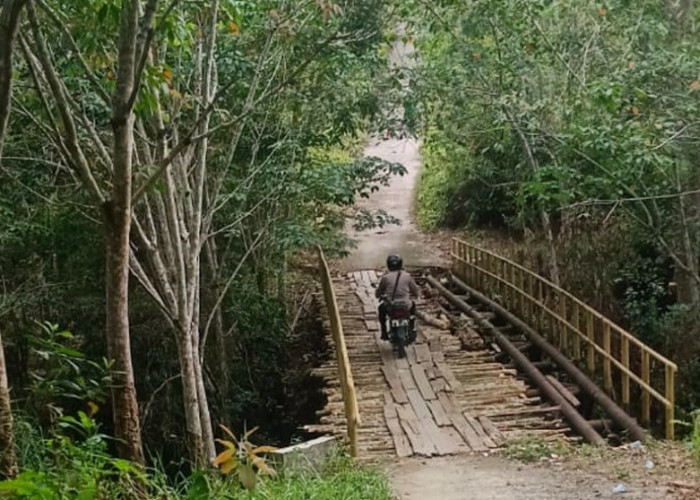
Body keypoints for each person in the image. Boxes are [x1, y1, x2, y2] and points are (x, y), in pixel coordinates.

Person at [375, 254, 420, 341]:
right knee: (413, 309)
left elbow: (379, 291)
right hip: (406, 305)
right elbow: (415, 290)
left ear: (388, 265)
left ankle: (384, 332)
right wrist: (416, 295)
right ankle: (411, 328)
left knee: (381, 310)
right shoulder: (407, 276)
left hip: (391, 305)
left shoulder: (385, 278)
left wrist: (378, 294)